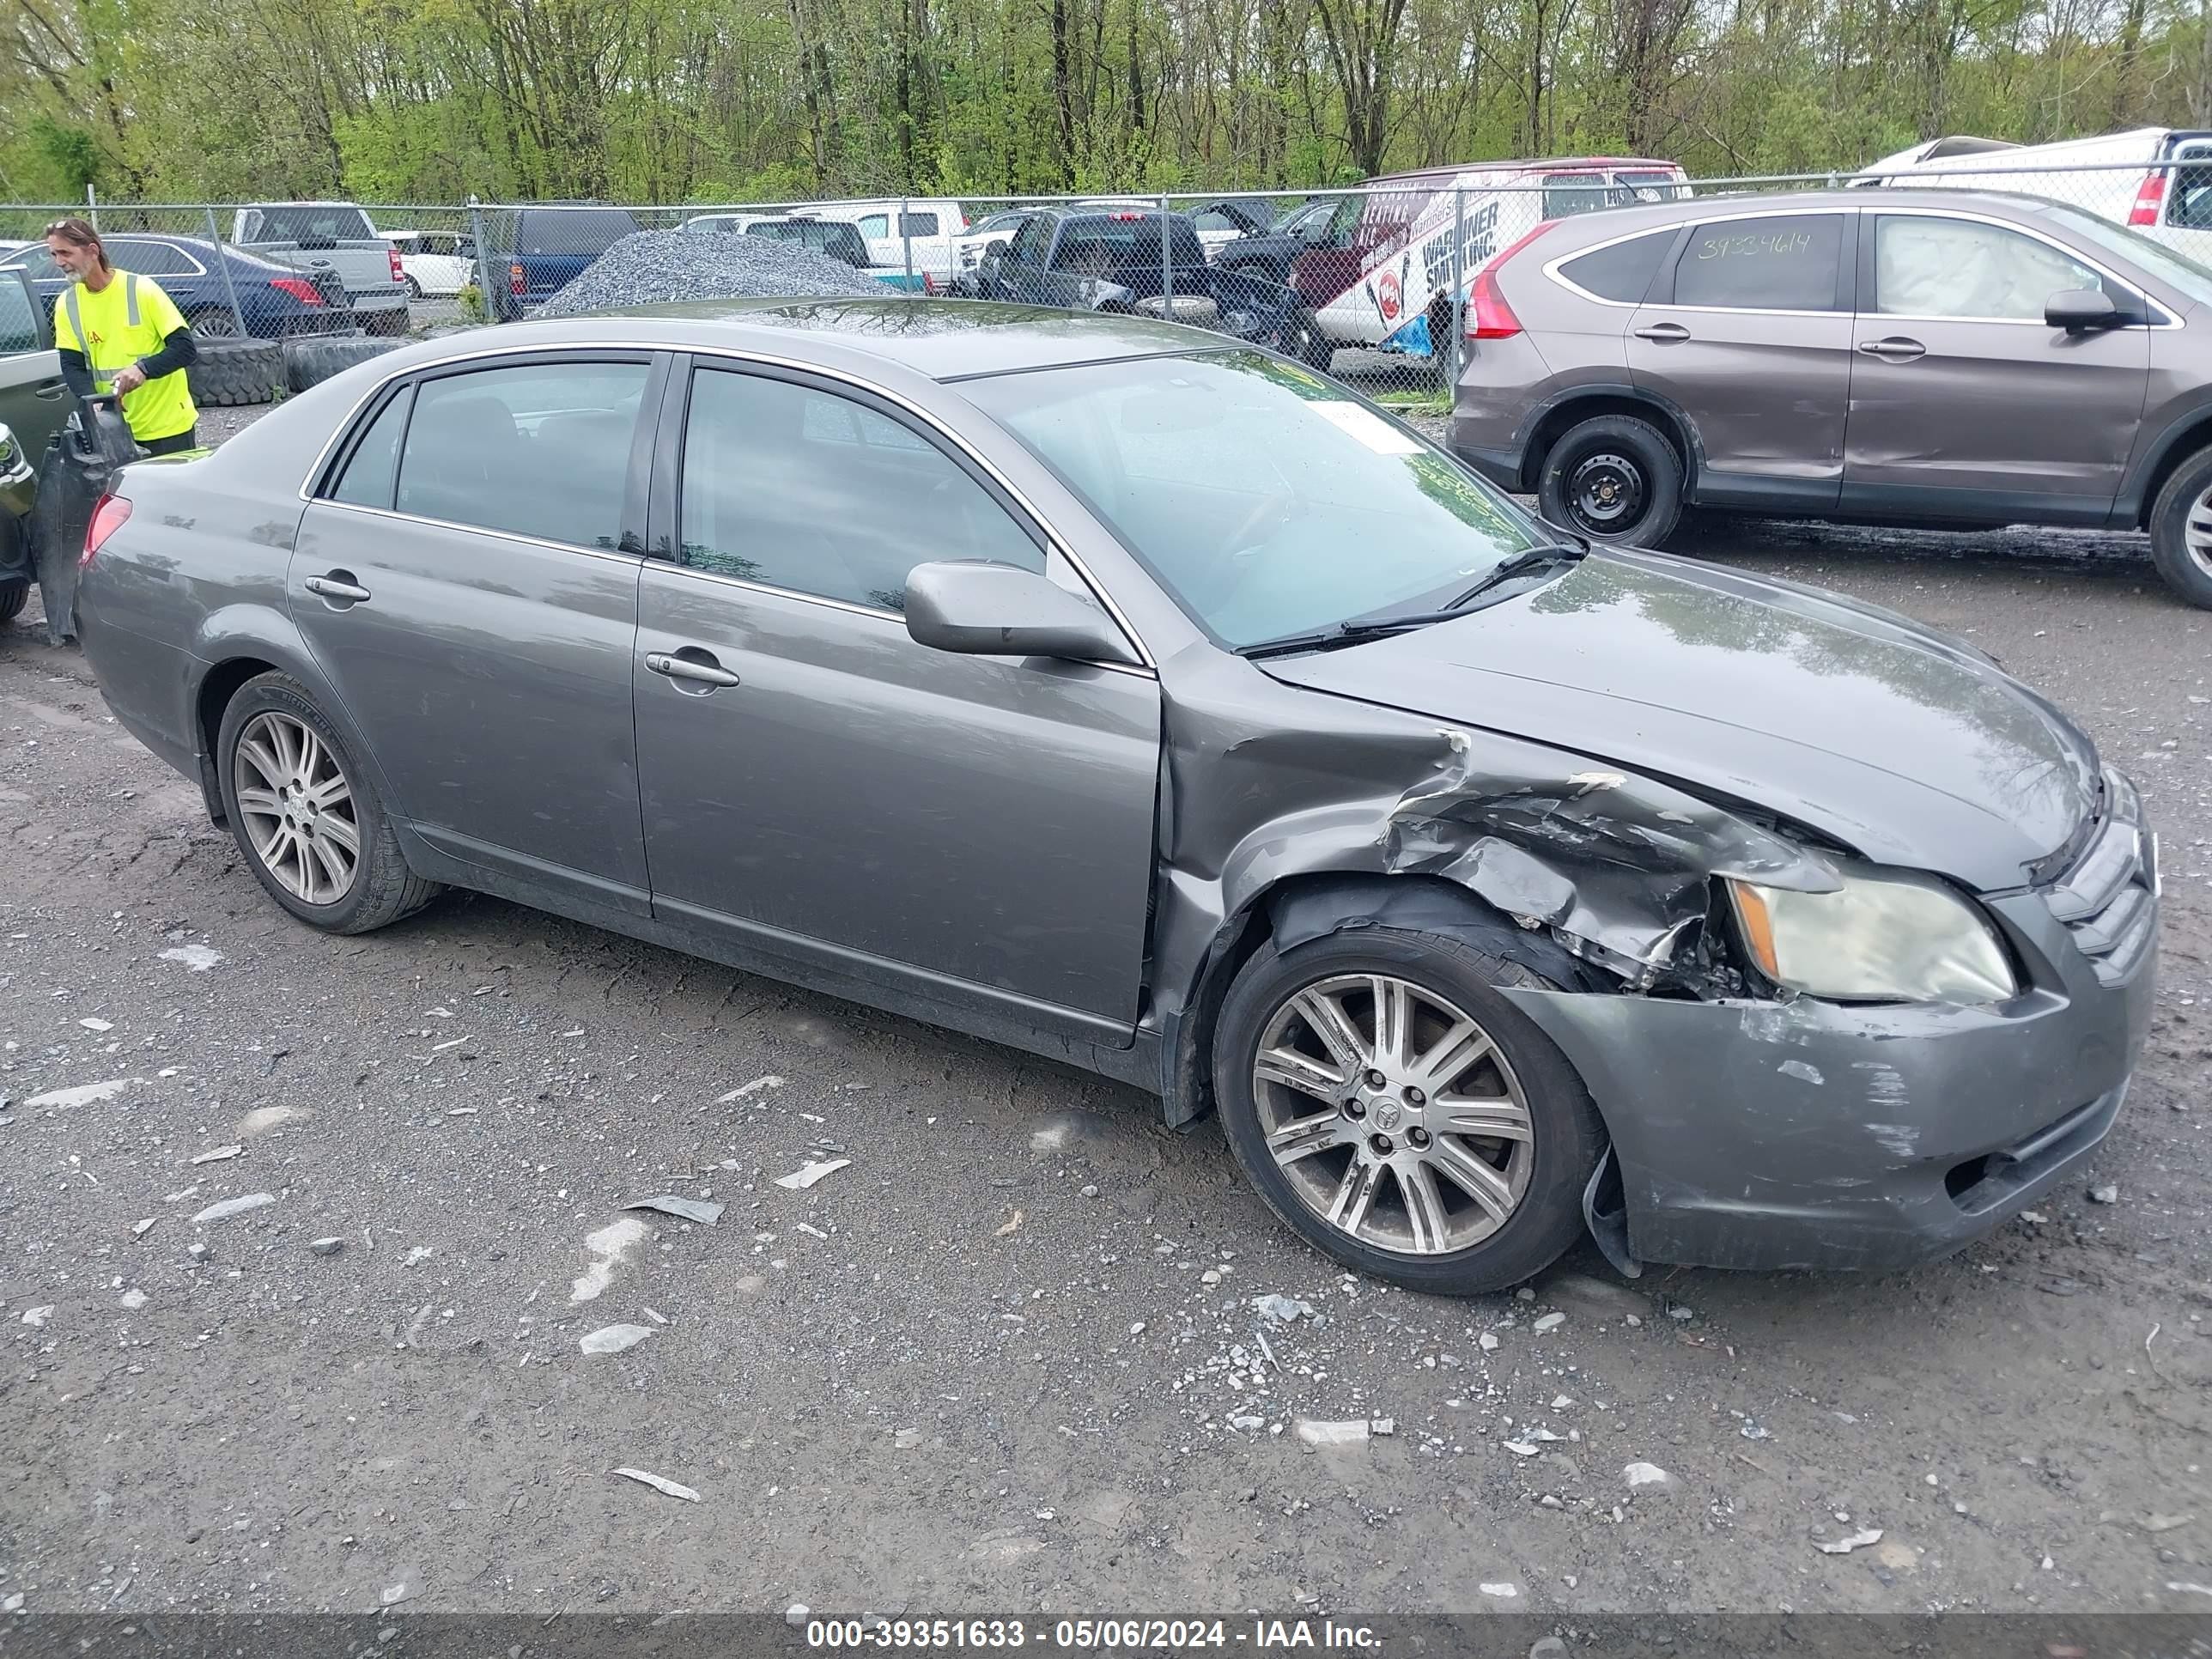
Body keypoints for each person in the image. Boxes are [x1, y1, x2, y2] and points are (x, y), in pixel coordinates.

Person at [43, 217, 200, 455]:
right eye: (54, 254)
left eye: (65, 253)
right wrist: (94, 401)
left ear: (92, 251)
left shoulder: (142, 290)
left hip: (167, 428)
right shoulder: (67, 303)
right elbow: (72, 365)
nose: (59, 262)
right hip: (113, 431)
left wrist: (142, 369)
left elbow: (184, 349)